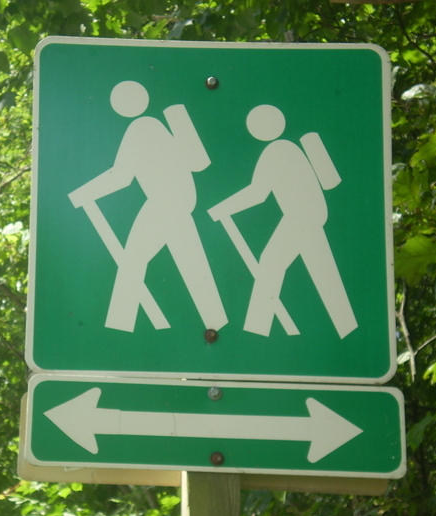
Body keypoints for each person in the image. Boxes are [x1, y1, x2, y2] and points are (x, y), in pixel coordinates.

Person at [69, 81, 227, 333]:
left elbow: (122, 176)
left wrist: (82, 194)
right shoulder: (157, 126)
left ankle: (119, 328)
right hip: (180, 202)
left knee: (133, 261)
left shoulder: (141, 128)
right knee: (192, 263)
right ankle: (217, 323)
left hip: (165, 204)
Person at [208, 104, 357, 339]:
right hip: (311, 215)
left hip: (301, 217)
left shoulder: (276, 151)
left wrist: (221, 208)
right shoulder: (290, 148)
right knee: (323, 271)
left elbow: (258, 193)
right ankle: (348, 328)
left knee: (270, 263)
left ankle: (256, 330)